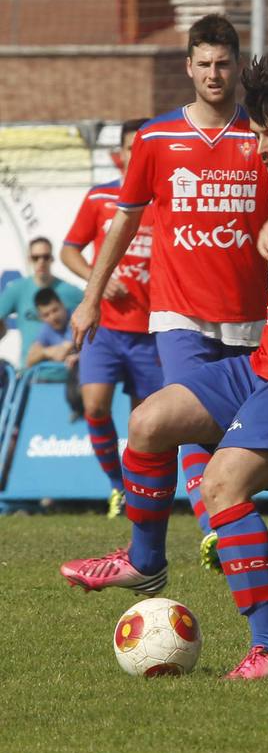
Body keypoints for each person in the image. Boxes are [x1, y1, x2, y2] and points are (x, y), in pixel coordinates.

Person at [60, 57, 268, 679]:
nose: (258, 148)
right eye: (256, 132)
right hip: (263, 364)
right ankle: (145, 560)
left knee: (221, 485)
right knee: (149, 422)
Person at [63, 14, 268, 544]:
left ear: (237, 67)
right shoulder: (157, 137)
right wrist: (90, 298)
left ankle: (218, 518)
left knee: (233, 433)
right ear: (188, 67)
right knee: (186, 413)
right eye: (203, 63)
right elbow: (123, 221)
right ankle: (208, 529)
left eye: (223, 63)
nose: (213, 74)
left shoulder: (262, 137)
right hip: (179, 314)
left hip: (251, 317)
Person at [61, 118, 162, 517]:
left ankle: (145, 495)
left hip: (153, 330)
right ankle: (117, 487)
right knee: (96, 407)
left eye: (143, 147)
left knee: (147, 423)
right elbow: (70, 250)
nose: (135, 154)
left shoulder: (167, 199)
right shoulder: (100, 197)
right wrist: (98, 281)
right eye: (129, 148)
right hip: (105, 326)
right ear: (118, 155)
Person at [0, 237, 83, 369]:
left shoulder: (70, 291)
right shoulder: (17, 289)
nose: (41, 262)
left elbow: (96, 314)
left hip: (68, 376)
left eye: (45, 257)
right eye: (35, 257)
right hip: (31, 374)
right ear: (29, 259)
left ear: (52, 259)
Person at [25, 288, 77, 371]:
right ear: (41, 317)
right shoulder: (47, 327)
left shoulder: (76, 318)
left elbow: (61, 353)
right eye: (46, 315)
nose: (53, 317)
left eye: (55, 310)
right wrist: (45, 352)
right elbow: (29, 360)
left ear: (62, 305)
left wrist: (42, 352)